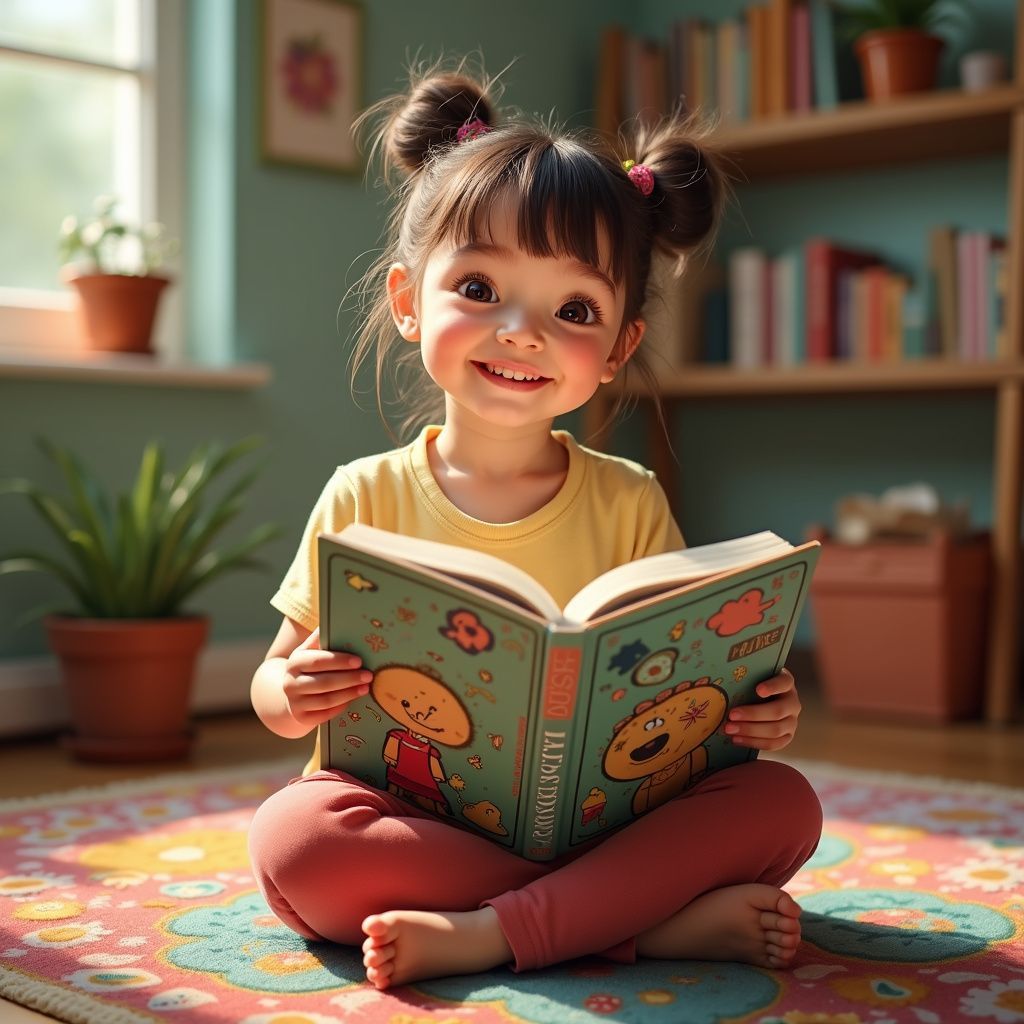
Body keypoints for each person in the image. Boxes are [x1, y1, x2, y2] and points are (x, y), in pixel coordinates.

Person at [247, 58, 822, 992]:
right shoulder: (362, 492)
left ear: (617, 349)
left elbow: (682, 682)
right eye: (478, 289)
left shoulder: (631, 498)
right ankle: (639, 918)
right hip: (413, 813)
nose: (523, 330)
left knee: (783, 803)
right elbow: (273, 684)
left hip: (608, 812)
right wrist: (292, 690)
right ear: (407, 302)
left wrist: (760, 710)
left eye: (574, 309)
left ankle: (491, 929)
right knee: (295, 843)